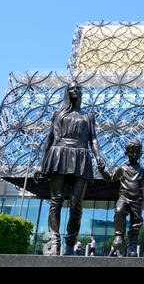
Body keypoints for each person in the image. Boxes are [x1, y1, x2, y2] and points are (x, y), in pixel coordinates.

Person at [35, 80, 105, 256]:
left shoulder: (88, 116)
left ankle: (70, 242)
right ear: (67, 92)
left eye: (78, 89)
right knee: (56, 200)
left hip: (81, 155)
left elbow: (93, 139)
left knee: (76, 204)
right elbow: (50, 138)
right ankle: (54, 241)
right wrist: (41, 163)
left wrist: (98, 157)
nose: (75, 91)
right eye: (72, 88)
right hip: (59, 153)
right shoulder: (59, 113)